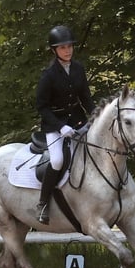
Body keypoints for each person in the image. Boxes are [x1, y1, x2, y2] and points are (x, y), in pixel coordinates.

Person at [34, 25, 94, 224]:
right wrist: (60, 127)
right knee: (58, 160)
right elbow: (42, 106)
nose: (67, 50)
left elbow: (85, 96)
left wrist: (94, 116)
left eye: (69, 46)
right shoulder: (48, 74)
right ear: (54, 50)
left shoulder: (78, 68)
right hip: (55, 126)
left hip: (78, 122)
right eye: (62, 47)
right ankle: (43, 202)